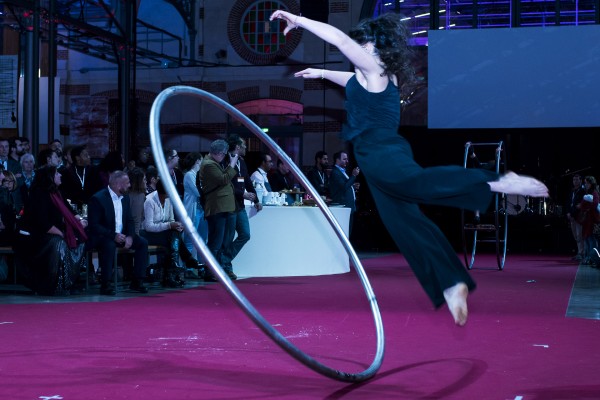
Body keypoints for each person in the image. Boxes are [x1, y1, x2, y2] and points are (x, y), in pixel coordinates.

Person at [270, 10, 549, 326]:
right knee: (404, 222)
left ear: (377, 50)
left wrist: (300, 20)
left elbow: (339, 40)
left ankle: (496, 181)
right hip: (376, 156)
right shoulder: (373, 75)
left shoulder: (374, 69)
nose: (357, 49)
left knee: (420, 183)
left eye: (364, 46)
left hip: (382, 152)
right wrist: (320, 72)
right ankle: (451, 283)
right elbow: (350, 80)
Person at [15, 166, 88, 295]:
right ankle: (54, 284)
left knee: (80, 239)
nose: (60, 175)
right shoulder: (38, 194)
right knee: (59, 243)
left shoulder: (57, 192)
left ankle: (70, 281)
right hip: (37, 236)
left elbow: (69, 209)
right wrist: (62, 234)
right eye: (57, 173)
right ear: (50, 177)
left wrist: (80, 220)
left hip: (53, 232)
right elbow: (43, 223)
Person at [87, 170, 149, 295]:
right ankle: (106, 284)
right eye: (127, 183)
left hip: (121, 235)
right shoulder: (98, 199)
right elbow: (94, 225)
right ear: (117, 185)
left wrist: (130, 237)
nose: (129, 185)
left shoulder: (125, 198)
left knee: (142, 242)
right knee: (109, 245)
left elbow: (130, 220)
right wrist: (114, 235)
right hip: (103, 236)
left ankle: (137, 281)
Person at [142, 180, 205, 287]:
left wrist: (176, 225)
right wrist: (170, 225)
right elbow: (148, 226)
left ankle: (171, 271)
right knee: (172, 236)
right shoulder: (149, 201)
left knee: (173, 236)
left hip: (165, 234)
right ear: (164, 192)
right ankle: (182, 263)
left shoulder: (168, 200)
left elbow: (171, 219)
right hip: (148, 234)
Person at [221, 135, 262, 280]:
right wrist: (242, 195)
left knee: (245, 234)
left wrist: (256, 199)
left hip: (239, 206)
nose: (246, 148)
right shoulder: (225, 162)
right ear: (237, 147)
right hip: (229, 205)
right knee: (228, 238)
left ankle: (223, 260)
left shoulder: (242, 163)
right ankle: (226, 267)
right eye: (244, 145)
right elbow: (226, 185)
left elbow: (248, 183)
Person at [199, 139, 239, 281]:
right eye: (223, 154)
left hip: (221, 207)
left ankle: (214, 269)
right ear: (219, 153)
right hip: (216, 208)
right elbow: (224, 179)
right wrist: (232, 164)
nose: (224, 157)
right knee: (215, 242)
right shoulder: (209, 165)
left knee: (219, 241)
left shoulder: (213, 163)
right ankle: (210, 271)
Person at [181, 152, 208, 269]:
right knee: (190, 240)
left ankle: (202, 267)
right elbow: (199, 192)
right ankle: (189, 268)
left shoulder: (201, 175)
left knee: (202, 240)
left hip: (202, 211)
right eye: (202, 160)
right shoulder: (189, 175)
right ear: (197, 161)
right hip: (193, 211)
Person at [329, 151, 360, 232]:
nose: (347, 161)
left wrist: (352, 186)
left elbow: (343, 186)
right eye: (344, 159)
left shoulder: (341, 171)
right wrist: (353, 176)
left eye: (347, 159)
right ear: (337, 160)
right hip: (344, 206)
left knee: (348, 230)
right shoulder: (335, 172)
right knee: (346, 231)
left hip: (348, 206)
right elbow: (344, 187)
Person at [579, 176, 599, 265]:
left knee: (591, 240)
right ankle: (588, 258)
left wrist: (586, 208)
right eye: (585, 183)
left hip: (592, 220)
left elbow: (595, 204)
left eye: (587, 183)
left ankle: (592, 258)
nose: (585, 184)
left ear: (591, 183)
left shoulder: (595, 192)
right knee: (587, 239)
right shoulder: (589, 192)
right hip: (587, 220)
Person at [566, 174, 586, 261]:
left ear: (581, 181)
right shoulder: (573, 190)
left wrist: (573, 214)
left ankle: (582, 253)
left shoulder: (583, 191)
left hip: (578, 217)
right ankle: (579, 252)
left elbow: (580, 205)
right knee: (576, 236)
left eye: (577, 180)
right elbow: (569, 202)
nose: (575, 181)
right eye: (574, 180)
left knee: (580, 235)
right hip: (572, 216)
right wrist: (568, 213)